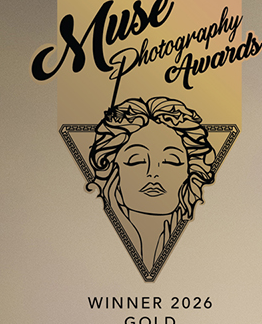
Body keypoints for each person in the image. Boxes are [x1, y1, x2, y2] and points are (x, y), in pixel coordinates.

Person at [87, 96, 216, 278]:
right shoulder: (91, 246)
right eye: (136, 160)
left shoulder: (207, 248)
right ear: (111, 166)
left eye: (171, 161)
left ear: (191, 170)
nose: (153, 172)